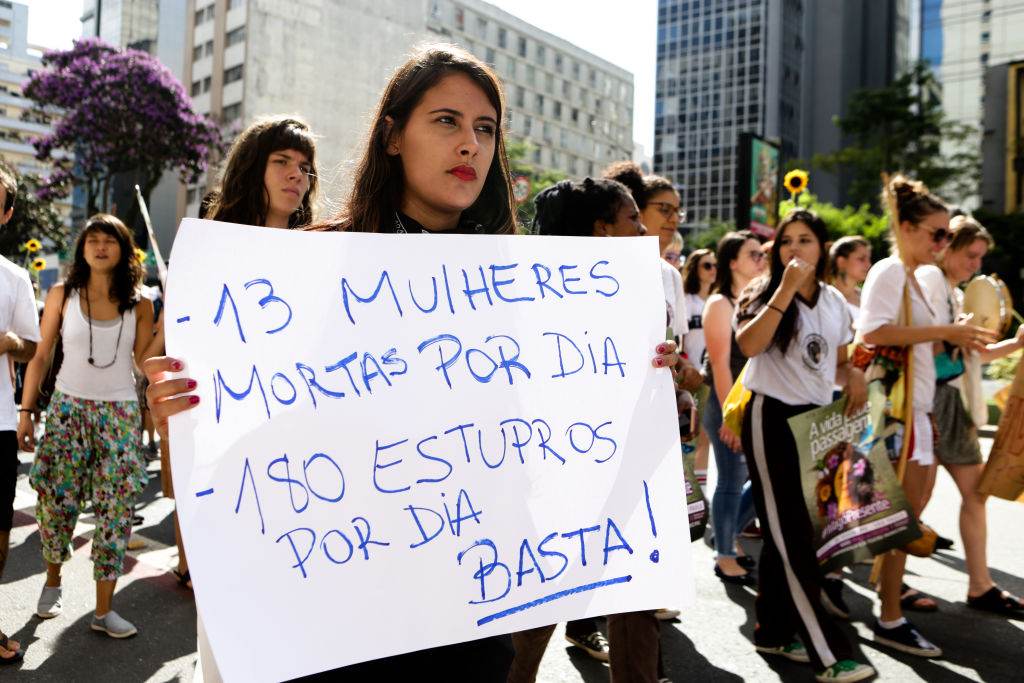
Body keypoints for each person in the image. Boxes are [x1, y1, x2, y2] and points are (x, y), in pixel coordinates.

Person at [144, 45, 682, 681]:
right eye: (447, 121)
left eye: (486, 129)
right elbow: (245, 418)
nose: (470, 146)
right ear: (393, 135)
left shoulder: (517, 280)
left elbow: (552, 419)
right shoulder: (309, 265)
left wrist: (630, 371)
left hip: (470, 599)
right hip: (335, 596)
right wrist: (185, 402)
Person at [156, 115, 319, 592]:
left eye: (306, 167)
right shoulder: (208, 255)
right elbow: (190, 356)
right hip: (227, 454)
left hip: (306, 461)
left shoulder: (322, 253)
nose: (297, 175)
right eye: (282, 161)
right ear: (252, 168)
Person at [733, 208, 875, 683]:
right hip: (769, 416)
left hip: (815, 422)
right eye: (787, 241)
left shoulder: (835, 301)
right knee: (792, 533)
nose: (795, 249)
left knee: (791, 531)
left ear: (822, 247)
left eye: (806, 240)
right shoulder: (762, 291)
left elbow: (832, 365)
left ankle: (773, 631)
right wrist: (785, 291)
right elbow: (748, 346)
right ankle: (828, 656)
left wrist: (852, 373)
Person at [858, 176, 996, 656]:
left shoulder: (919, 278)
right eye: (936, 233)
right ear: (905, 227)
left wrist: (953, 332)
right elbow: (872, 333)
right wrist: (946, 331)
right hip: (894, 414)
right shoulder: (892, 271)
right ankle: (884, 616)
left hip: (916, 413)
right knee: (890, 519)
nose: (943, 242)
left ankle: (887, 612)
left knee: (901, 521)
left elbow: (927, 343)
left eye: (944, 234)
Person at [17, 214, 159, 638]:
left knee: (116, 512)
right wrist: (26, 412)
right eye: (92, 240)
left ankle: (103, 610)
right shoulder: (62, 293)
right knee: (56, 504)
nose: (100, 247)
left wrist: (164, 331)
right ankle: (53, 581)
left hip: (118, 415)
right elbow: (40, 356)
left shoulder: (141, 303)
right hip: (67, 410)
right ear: (82, 249)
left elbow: (143, 363)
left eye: (109, 241)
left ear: (123, 249)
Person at [916, 215, 1024, 616]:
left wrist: (1014, 344)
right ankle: (886, 585)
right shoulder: (929, 285)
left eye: (980, 258)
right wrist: (951, 335)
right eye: (971, 255)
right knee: (915, 497)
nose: (976, 265)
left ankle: (980, 585)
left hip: (953, 400)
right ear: (948, 249)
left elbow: (969, 356)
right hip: (928, 400)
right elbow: (919, 351)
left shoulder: (955, 293)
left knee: (972, 494)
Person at [703, 230, 764, 584]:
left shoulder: (756, 299)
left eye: (760, 254)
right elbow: (721, 364)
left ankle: (725, 533)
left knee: (760, 479)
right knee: (731, 479)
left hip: (755, 403)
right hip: (726, 403)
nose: (760, 259)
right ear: (733, 261)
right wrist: (731, 417)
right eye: (753, 254)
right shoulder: (720, 303)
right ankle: (724, 554)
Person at [819, 235, 871, 618]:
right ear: (839, 261)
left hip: (859, 397)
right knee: (828, 486)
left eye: (869, 258)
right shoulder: (829, 297)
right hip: (829, 399)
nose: (866, 264)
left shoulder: (860, 297)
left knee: (847, 483)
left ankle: (836, 566)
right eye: (859, 258)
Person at [0, 162, 39, 662]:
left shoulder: (14, 279)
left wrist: (8, 341)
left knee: (0, 536)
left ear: (5, 214)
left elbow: (31, 347)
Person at [680, 248, 716, 496]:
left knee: (706, 437)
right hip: (691, 378)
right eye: (707, 265)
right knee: (688, 437)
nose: (713, 270)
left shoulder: (718, 300)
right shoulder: (686, 299)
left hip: (712, 377)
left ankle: (699, 493)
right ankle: (685, 488)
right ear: (694, 267)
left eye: (715, 265)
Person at [826, 236, 871, 317]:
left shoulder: (868, 296)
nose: (868, 264)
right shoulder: (827, 300)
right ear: (841, 262)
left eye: (868, 259)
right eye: (861, 259)